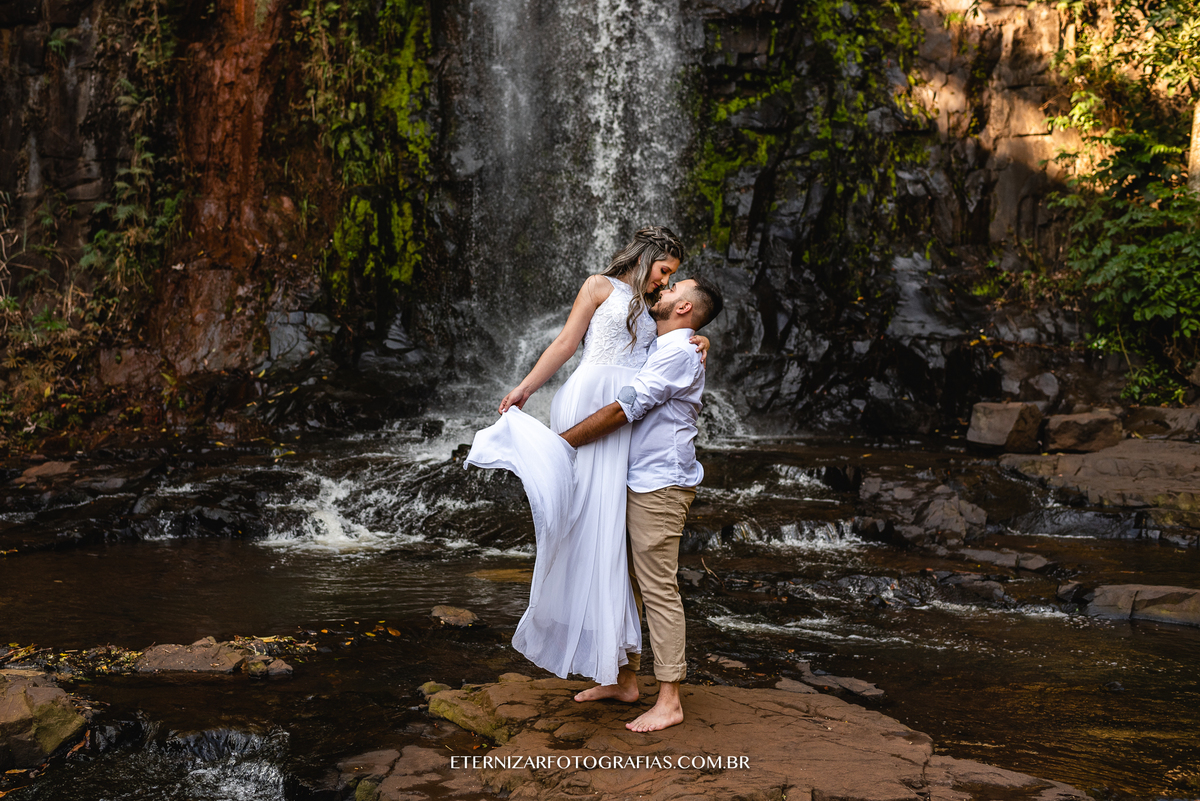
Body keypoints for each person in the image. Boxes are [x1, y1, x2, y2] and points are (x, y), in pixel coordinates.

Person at [465, 226, 707, 687]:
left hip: (621, 417)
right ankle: (606, 666)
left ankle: (616, 671)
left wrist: (702, 339)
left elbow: (681, 336)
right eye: (663, 271)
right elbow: (565, 343)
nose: (664, 281)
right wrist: (525, 389)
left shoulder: (662, 314)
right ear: (646, 257)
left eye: (672, 276)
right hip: (586, 403)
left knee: (608, 534)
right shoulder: (600, 286)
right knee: (581, 525)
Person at [558, 276, 723, 732]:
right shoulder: (668, 343)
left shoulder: (676, 352)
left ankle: (669, 699)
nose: (661, 290)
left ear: (685, 307)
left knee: (657, 588)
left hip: (660, 485)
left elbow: (622, 409)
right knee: (622, 578)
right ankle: (625, 680)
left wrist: (561, 445)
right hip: (635, 479)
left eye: (672, 289)